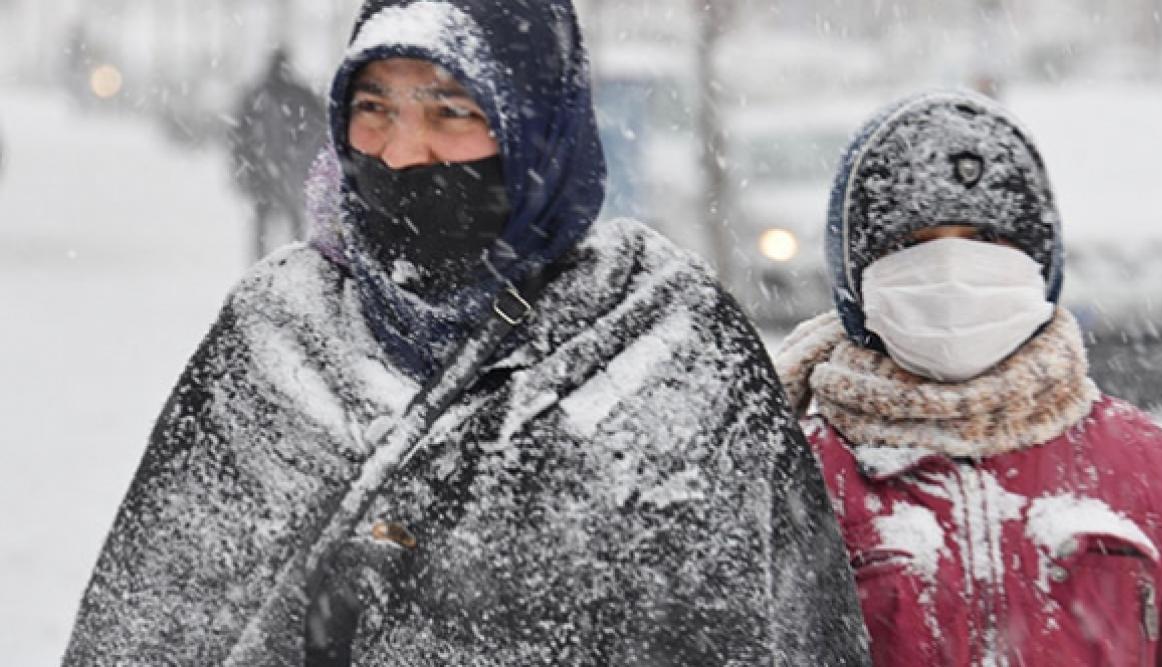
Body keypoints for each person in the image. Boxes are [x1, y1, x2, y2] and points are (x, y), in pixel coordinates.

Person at [63, 1, 869, 664]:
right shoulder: (277, 331)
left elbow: (788, 625)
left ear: (536, 123)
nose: (404, 151)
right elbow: (153, 623)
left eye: (452, 111)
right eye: (374, 109)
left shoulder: (672, 338)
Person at [776, 90, 1162, 665]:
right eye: (912, 245)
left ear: (1041, 260)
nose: (952, 272)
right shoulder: (794, 483)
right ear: (855, 273)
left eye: (987, 240)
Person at [229, 48, 327, 260]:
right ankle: (295, 262)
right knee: (290, 222)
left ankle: (263, 266)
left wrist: (243, 168)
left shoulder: (258, 95)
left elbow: (239, 137)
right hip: (285, 171)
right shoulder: (298, 94)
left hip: (266, 171)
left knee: (267, 224)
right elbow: (318, 128)